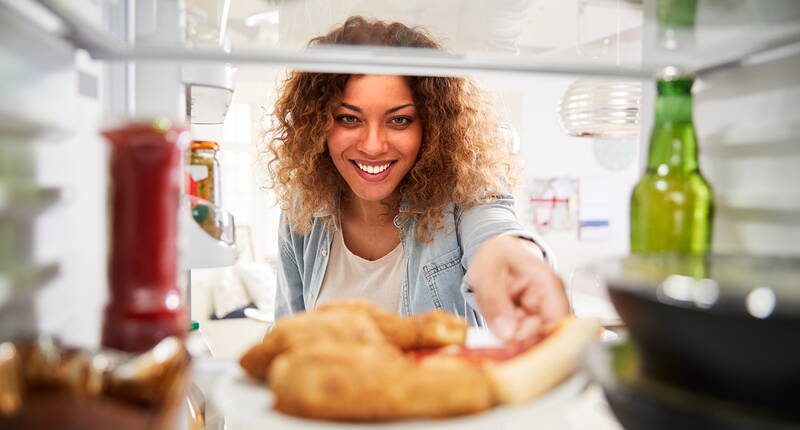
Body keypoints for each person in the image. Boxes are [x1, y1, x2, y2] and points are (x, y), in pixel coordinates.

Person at [265, 16, 568, 340]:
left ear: (432, 127)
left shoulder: (463, 196)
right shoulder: (302, 213)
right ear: (318, 126)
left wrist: (511, 257)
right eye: (349, 118)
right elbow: (287, 336)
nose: (372, 145)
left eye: (399, 120)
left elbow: (494, 226)